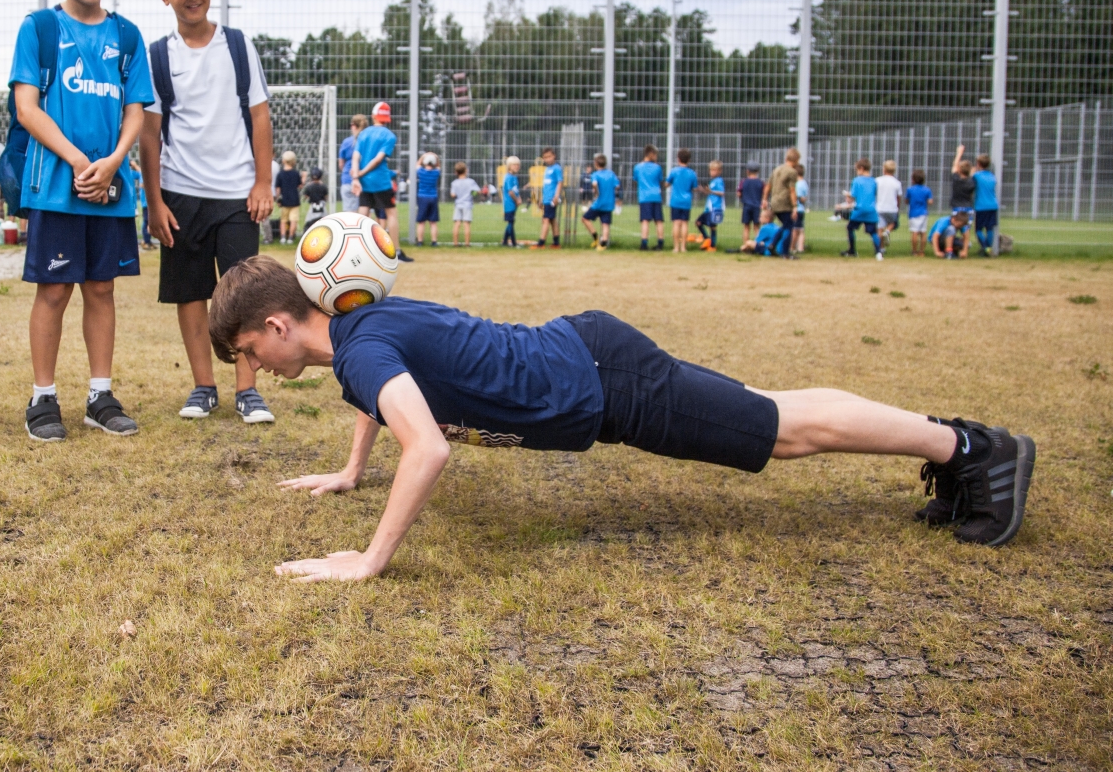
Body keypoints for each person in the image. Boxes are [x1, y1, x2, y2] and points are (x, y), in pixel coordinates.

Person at [203, 257, 1035, 583]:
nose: (254, 367)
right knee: (773, 412)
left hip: (607, 382)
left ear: (277, 325)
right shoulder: (355, 332)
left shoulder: (358, 348)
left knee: (783, 429)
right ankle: (957, 449)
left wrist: (369, 558)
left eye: (247, 351)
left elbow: (425, 448)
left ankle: (972, 449)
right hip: (594, 360)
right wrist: (351, 469)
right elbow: (383, 401)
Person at [9, 0, 151, 443]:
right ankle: (43, 396)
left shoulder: (127, 35)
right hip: (56, 186)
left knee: (101, 287)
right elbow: (27, 108)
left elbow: (136, 109)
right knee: (53, 291)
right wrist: (75, 160)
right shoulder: (40, 28)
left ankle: (100, 395)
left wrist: (113, 160)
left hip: (109, 186)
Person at [139, 0, 276, 425]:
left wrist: (263, 181)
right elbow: (150, 134)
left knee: (243, 296)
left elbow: (260, 116)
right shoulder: (157, 55)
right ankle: (203, 386)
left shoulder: (237, 45)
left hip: (237, 193)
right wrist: (154, 201)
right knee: (190, 293)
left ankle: (247, 390)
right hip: (181, 194)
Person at [352, 103, 412, 261]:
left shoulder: (363, 133)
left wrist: (357, 176)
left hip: (364, 181)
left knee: (362, 214)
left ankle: (357, 251)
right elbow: (378, 159)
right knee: (391, 213)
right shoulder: (389, 136)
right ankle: (396, 252)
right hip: (381, 181)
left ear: (373, 116)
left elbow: (356, 156)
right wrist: (362, 173)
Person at [763, 148, 800, 259]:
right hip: (785, 203)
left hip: (774, 202)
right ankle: (785, 253)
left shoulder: (776, 169)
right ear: (796, 160)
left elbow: (768, 186)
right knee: (789, 227)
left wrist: (765, 199)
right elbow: (792, 190)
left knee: (785, 225)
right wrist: (795, 206)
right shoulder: (792, 172)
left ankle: (772, 245)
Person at [843, 158, 881, 258]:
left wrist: (847, 195)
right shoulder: (874, 181)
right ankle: (878, 252)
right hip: (871, 210)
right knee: (873, 232)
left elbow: (853, 195)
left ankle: (852, 251)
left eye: (857, 169)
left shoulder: (857, 180)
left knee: (850, 228)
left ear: (861, 168)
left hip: (859, 209)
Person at [580, 153, 618, 249]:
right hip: (609, 202)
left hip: (599, 203)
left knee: (585, 218)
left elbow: (594, 184)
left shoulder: (595, 174)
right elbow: (617, 186)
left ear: (596, 163)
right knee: (605, 224)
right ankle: (603, 244)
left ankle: (596, 238)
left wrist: (596, 192)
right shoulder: (611, 173)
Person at [665, 148, 699, 254]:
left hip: (675, 201)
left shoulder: (674, 171)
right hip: (686, 201)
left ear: (678, 159)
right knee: (684, 223)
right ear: (689, 160)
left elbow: (666, 184)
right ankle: (683, 247)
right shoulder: (692, 173)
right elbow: (695, 188)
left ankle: (676, 247)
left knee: (676, 223)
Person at [633, 145, 664, 250]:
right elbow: (660, 180)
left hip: (644, 197)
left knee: (645, 220)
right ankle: (660, 243)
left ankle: (644, 243)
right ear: (651, 154)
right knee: (658, 221)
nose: (656, 157)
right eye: (655, 155)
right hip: (656, 196)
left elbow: (636, 179)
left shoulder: (638, 167)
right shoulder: (657, 167)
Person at [874, 160, 903, 262]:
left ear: (884, 169)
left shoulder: (877, 181)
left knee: (879, 229)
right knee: (892, 223)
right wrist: (898, 207)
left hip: (880, 207)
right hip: (892, 208)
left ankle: (880, 250)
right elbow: (898, 197)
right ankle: (888, 231)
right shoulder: (897, 183)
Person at [338, 115, 367, 214]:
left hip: (348, 180)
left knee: (350, 214)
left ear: (354, 126)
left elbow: (341, 164)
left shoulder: (347, 142)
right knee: (365, 213)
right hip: (365, 180)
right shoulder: (368, 141)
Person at [972, 153, 999, 256]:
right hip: (993, 205)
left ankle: (986, 248)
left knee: (978, 229)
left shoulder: (977, 176)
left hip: (981, 206)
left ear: (978, 164)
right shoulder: (992, 176)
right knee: (989, 228)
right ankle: (988, 248)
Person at [535, 147, 563, 249]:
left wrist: (556, 196)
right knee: (552, 220)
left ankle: (541, 243)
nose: (547, 159)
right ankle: (556, 243)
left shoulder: (556, 168)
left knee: (545, 220)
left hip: (552, 199)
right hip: (546, 199)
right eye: (545, 157)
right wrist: (542, 199)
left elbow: (560, 182)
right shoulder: (547, 169)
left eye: (549, 156)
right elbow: (546, 186)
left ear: (554, 156)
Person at [413, 152, 442, 247]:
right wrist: (435, 156)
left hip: (422, 197)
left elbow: (417, 164)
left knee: (421, 221)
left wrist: (423, 156)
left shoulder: (421, 172)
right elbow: (438, 166)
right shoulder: (436, 172)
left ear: (425, 162)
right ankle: (434, 242)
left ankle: (420, 241)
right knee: (433, 222)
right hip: (433, 197)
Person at [695, 159, 724, 251]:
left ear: (719, 171)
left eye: (714, 170)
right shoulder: (713, 181)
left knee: (712, 227)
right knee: (698, 222)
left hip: (715, 208)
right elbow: (710, 193)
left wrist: (711, 191)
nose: (712, 172)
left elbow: (722, 193)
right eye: (711, 170)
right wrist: (702, 190)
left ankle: (712, 246)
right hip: (708, 208)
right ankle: (707, 239)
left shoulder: (719, 181)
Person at [275, 151, 303, 245]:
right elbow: (300, 186)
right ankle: (291, 237)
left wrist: (278, 199)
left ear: (283, 161)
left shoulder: (280, 174)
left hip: (284, 200)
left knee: (283, 220)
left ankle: (283, 237)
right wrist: (304, 177)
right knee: (293, 220)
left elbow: (278, 188)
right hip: (294, 200)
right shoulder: (296, 173)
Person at [449, 162, 476, 246]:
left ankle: (455, 243)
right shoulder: (471, 182)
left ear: (456, 172)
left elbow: (452, 194)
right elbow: (477, 191)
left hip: (458, 204)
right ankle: (467, 243)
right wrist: (472, 194)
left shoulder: (454, 183)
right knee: (466, 224)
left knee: (457, 223)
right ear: (466, 171)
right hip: (467, 204)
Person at [907, 169, 933, 257]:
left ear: (913, 179)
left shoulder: (910, 189)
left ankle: (914, 251)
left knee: (914, 232)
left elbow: (907, 200)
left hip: (913, 213)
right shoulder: (927, 190)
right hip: (923, 213)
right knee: (923, 232)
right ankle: (922, 251)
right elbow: (930, 201)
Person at [738, 163, 764, 245]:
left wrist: (743, 198)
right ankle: (758, 245)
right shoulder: (760, 182)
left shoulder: (743, 182)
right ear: (757, 171)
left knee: (746, 227)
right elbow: (764, 193)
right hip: (757, 207)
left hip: (746, 206)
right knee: (756, 227)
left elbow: (739, 193)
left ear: (747, 171)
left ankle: (746, 245)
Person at [949, 143, 976, 221]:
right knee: (966, 226)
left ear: (959, 170)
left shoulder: (956, 180)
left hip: (957, 207)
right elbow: (972, 173)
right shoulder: (972, 181)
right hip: (968, 207)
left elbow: (955, 166)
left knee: (955, 225)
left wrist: (959, 153)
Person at [499, 155, 522, 247]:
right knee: (511, 223)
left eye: (518, 165)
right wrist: (516, 200)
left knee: (511, 222)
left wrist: (519, 198)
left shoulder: (514, 177)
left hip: (514, 204)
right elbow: (510, 192)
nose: (516, 167)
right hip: (509, 203)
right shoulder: (508, 177)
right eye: (514, 165)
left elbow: (516, 190)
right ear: (509, 166)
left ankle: (505, 241)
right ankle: (513, 243)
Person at [790, 163, 808, 254]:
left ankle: (792, 247)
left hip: (796, 209)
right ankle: (800, 247)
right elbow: (805, 197)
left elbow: (799, 197)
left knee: (794, 230)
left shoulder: (798, 184)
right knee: (800, 230)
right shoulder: (804, 183)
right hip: (802, 209)